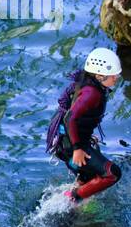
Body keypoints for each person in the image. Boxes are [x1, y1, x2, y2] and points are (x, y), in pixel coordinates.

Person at [48, 47, 122, 203]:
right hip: (71, 145)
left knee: (89, 177)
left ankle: (76, 200)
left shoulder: (87, 83)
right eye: (113, 75)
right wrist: (78, 148)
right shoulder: (92, 94)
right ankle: (74, 198)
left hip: (67, 140)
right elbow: (70, 119)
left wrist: (85, 135)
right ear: (99, 76)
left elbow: (75, 115)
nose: (116, 78)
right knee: (112, 173)